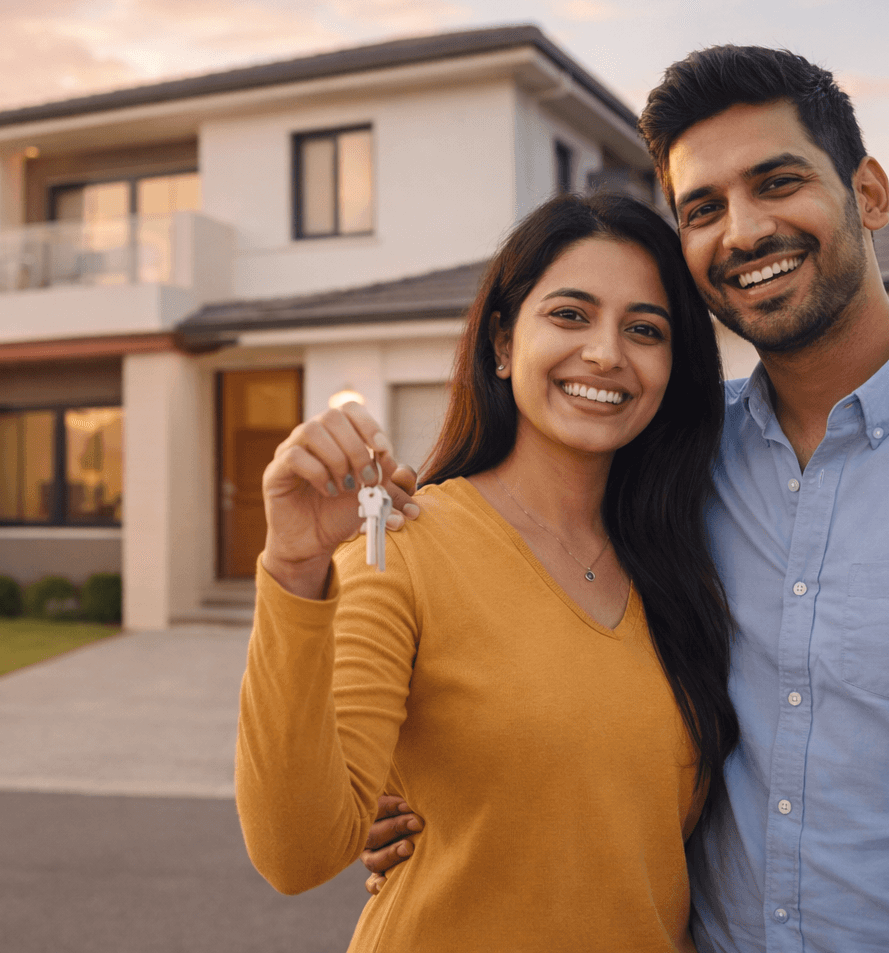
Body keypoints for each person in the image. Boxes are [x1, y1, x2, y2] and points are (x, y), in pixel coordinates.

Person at [361, 46, 889, 953]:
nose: (742, 231)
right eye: (703, 209)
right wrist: (426, 788)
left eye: (777, 182)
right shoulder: (672, 457)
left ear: (871, 194)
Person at [236, 192, 739, 951]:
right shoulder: (405, 548)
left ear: (673, 368)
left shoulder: (688, 565)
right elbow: (296, 854)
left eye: (644, 329)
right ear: (502, 342)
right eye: (570, 315)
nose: (606, 353)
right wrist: (296, 570)